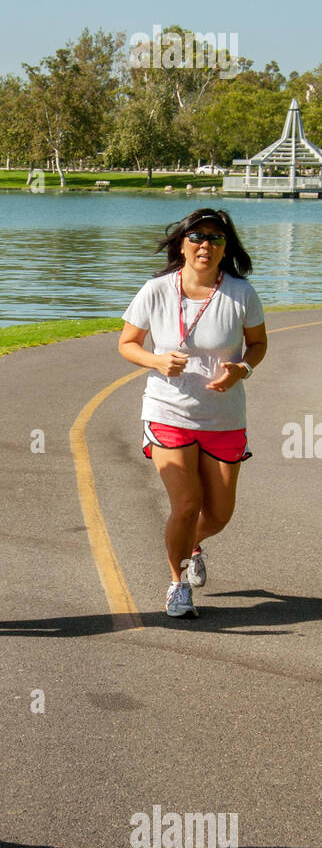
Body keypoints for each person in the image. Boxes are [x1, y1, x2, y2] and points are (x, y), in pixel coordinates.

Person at [119, 207, 267, 618]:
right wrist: (156, 361)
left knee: (217, 514)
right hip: (168, 411)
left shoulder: (241, 293)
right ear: (182, 244)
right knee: (186, 506)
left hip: (224, 416)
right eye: (198, 236)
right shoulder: (157, 290)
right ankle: (177, 584)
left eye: (216, 238)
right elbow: (128, 343)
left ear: (226, 249)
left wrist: (243, 368)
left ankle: (191, 543)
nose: (206, 244)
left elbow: (258, 343)